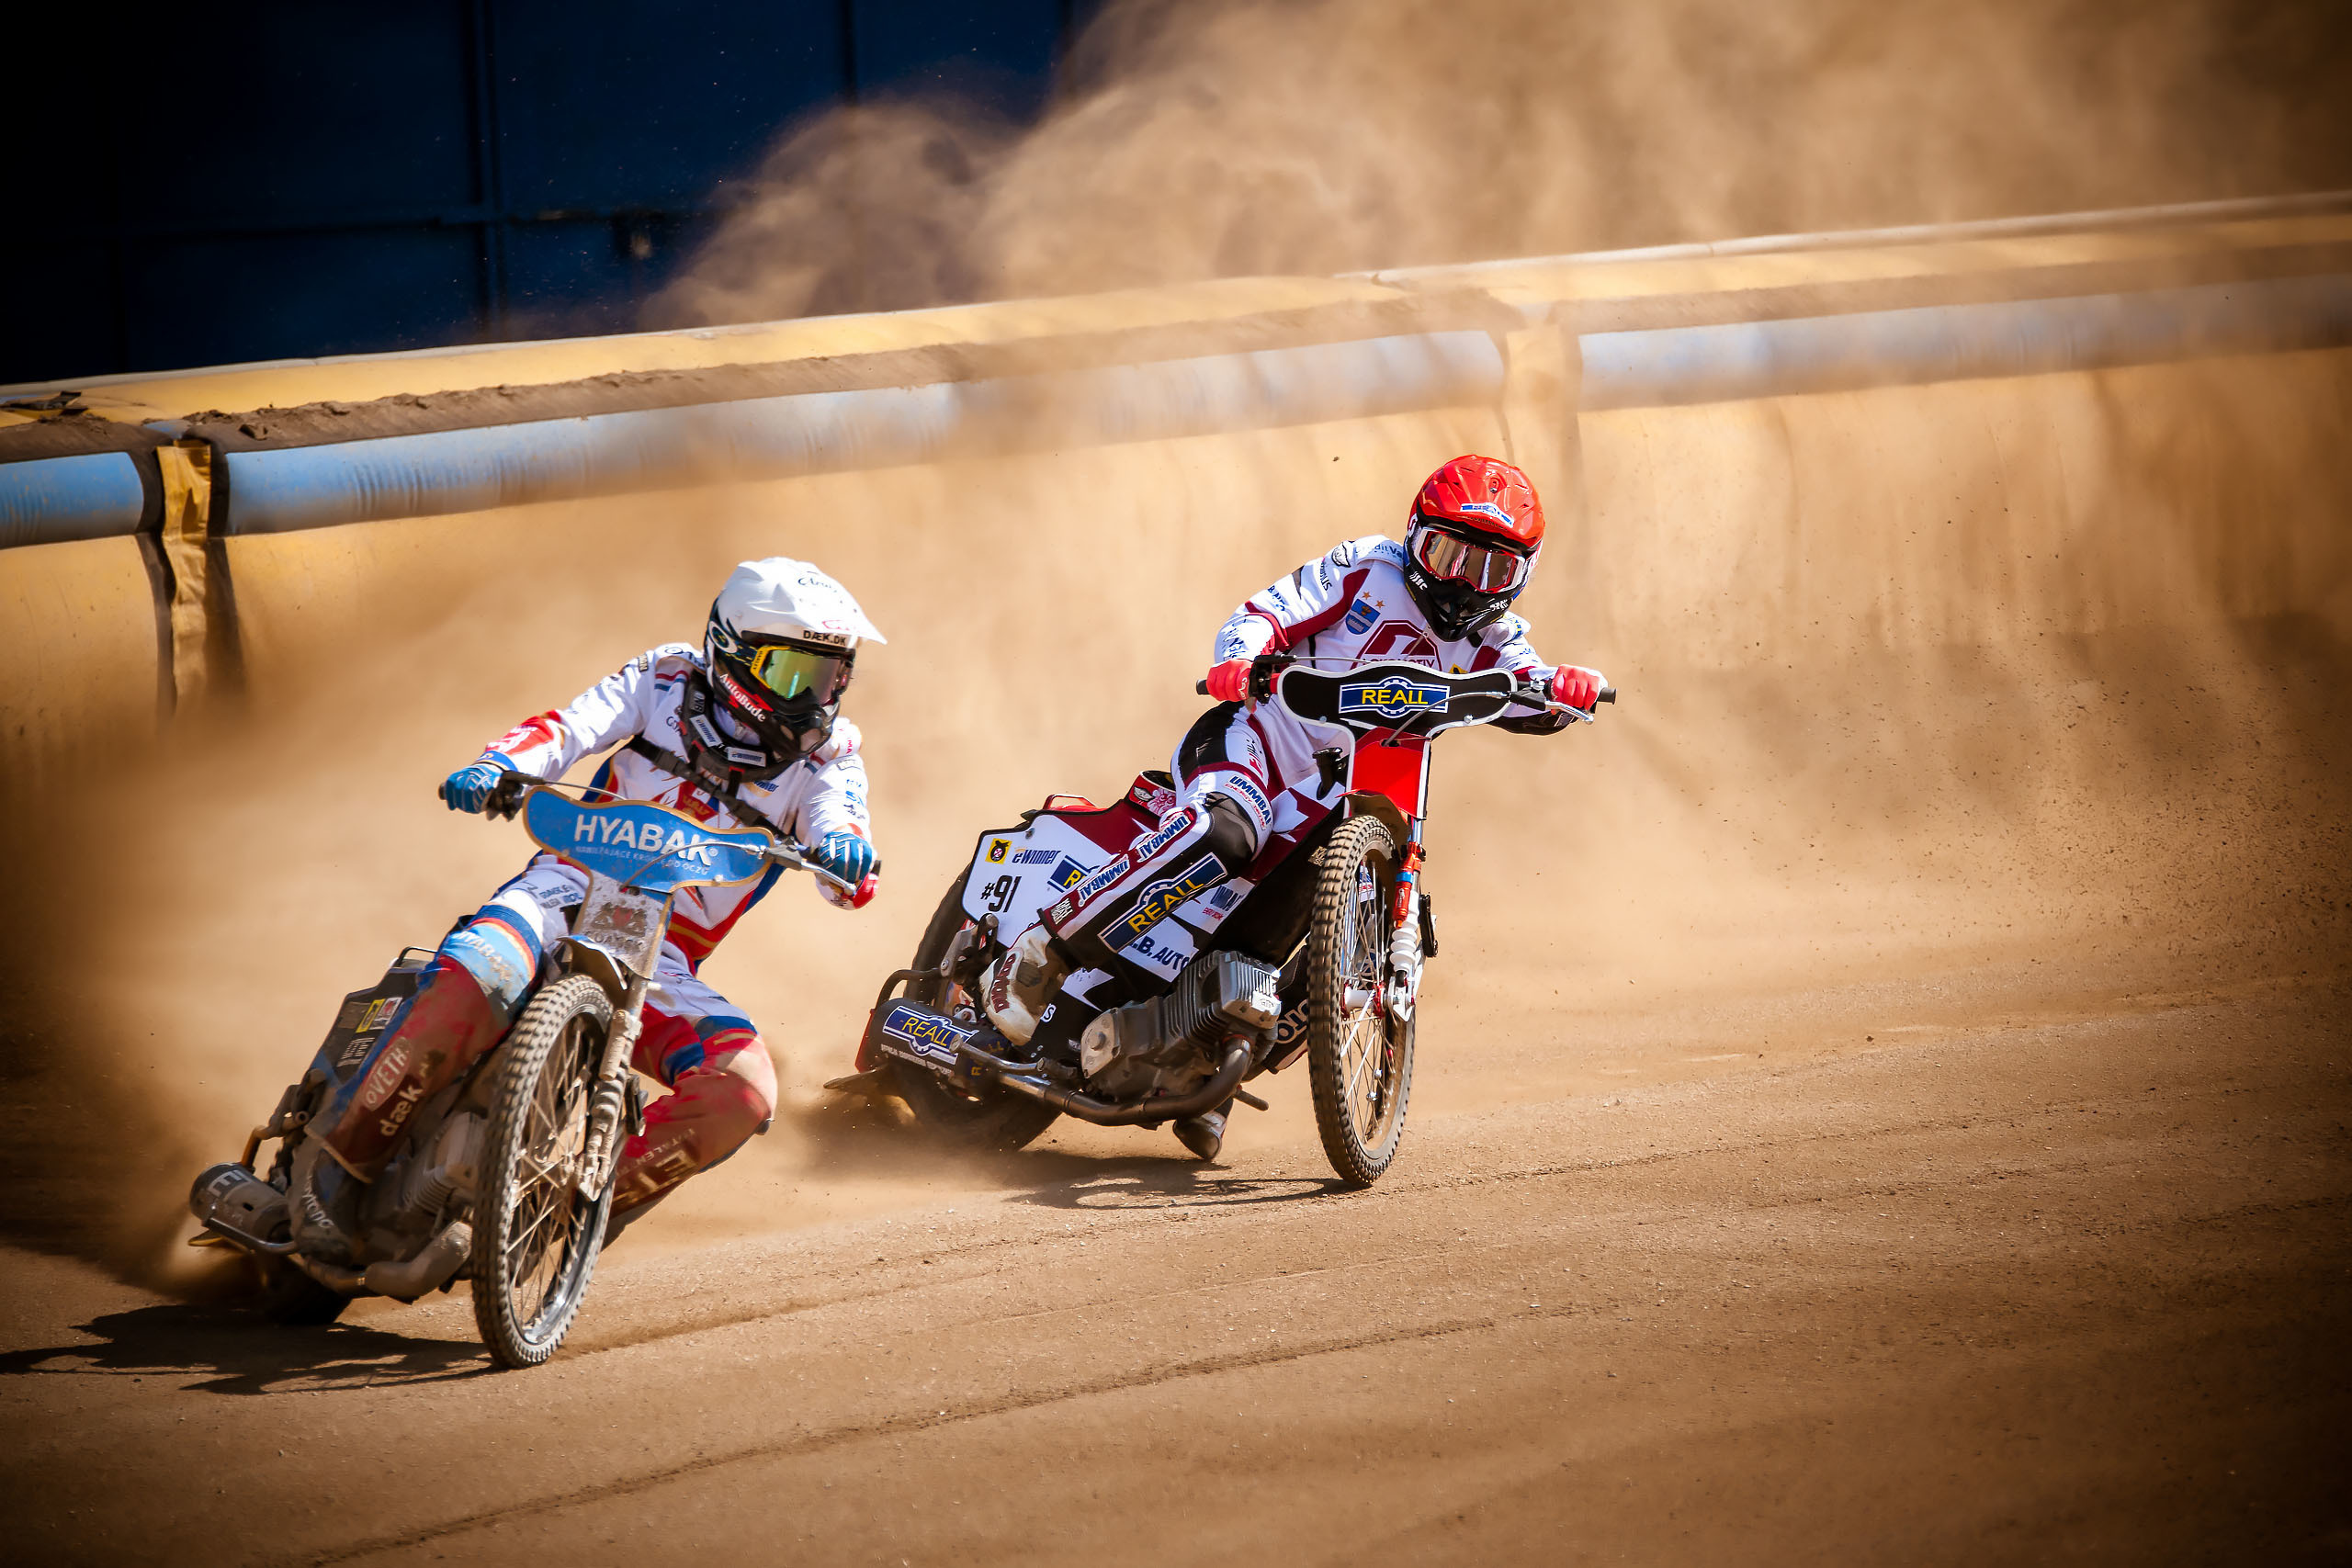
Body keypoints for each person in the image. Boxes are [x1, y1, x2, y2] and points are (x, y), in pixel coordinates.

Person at [981, 455, 1605, 1160]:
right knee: (1228, 834)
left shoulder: (1496, 639)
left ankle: (1205, 1053)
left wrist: (1570, 690)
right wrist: (1241, 656)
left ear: (1522, 576)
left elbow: (1531, 687)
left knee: (1329, 922)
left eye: (1491, 569)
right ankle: (1041, 953)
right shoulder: (1367, 567)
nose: (1463, 582)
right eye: (1448, 554)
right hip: (1252, 744)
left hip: (1333, 807)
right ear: (1414, 536)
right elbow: (1266, 612)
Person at [290, 558, 884, 1260]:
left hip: (660, 953)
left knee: (745, 1089)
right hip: (562, 889)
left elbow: (842, 841)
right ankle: (334, 1171)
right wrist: (499, 765)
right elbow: (571, 727)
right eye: (794, 673)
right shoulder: (665, 678)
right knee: (475, 976)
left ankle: (563, 1213)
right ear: (733, 652)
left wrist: (847, 852)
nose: (814, 699)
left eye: (830, 676)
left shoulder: (831, 759)